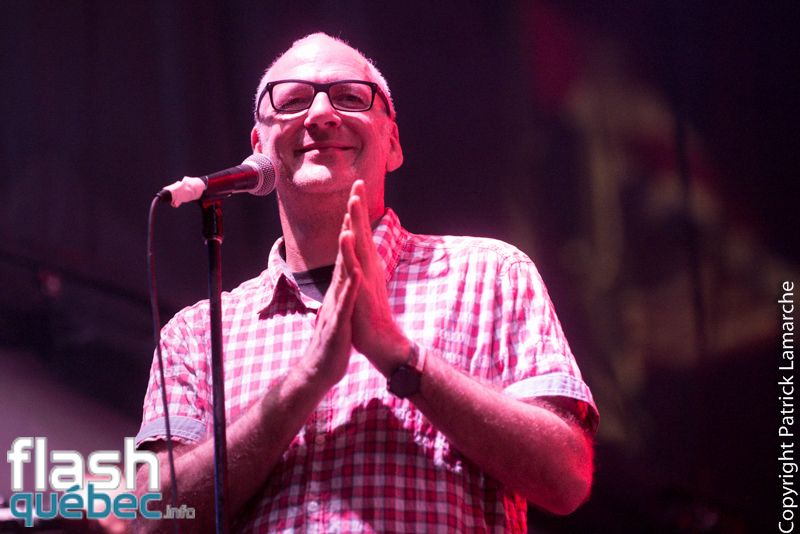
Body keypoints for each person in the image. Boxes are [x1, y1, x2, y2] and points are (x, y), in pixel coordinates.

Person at [132, 32, 598, 534]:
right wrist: (305, 382)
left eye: (350, 97)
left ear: (392, 143)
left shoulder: (490, 275)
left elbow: (567, 478)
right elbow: (150, 520)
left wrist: (402, 357)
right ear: (259, 149)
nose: (320, 114)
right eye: (292, 100)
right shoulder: (196, 333)